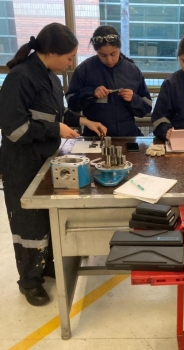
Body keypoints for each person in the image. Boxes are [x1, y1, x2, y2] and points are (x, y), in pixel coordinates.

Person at [0, 23, 107, 306]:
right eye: (69, 57)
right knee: (28, 224)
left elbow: (59, 114)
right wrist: (54, 130)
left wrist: (84, 121)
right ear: (51, 52)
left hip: (45, 159)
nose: (71, 63)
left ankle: (46, 265)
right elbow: (15, 130)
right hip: (21, 164)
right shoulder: (20, 78)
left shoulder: (50, 77)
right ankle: (29, 280)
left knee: (46, 217)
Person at [66, 25, 152, 137]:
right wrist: (91, 93)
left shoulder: (132, 70)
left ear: (119, 49)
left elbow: (147, 106)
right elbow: (71, 103)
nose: (109, 60)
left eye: (113, 54)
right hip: (95, 136)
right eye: (103, 55)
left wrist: (134, 98)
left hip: (127, 135)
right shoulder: (84, 70)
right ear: (97, 52)